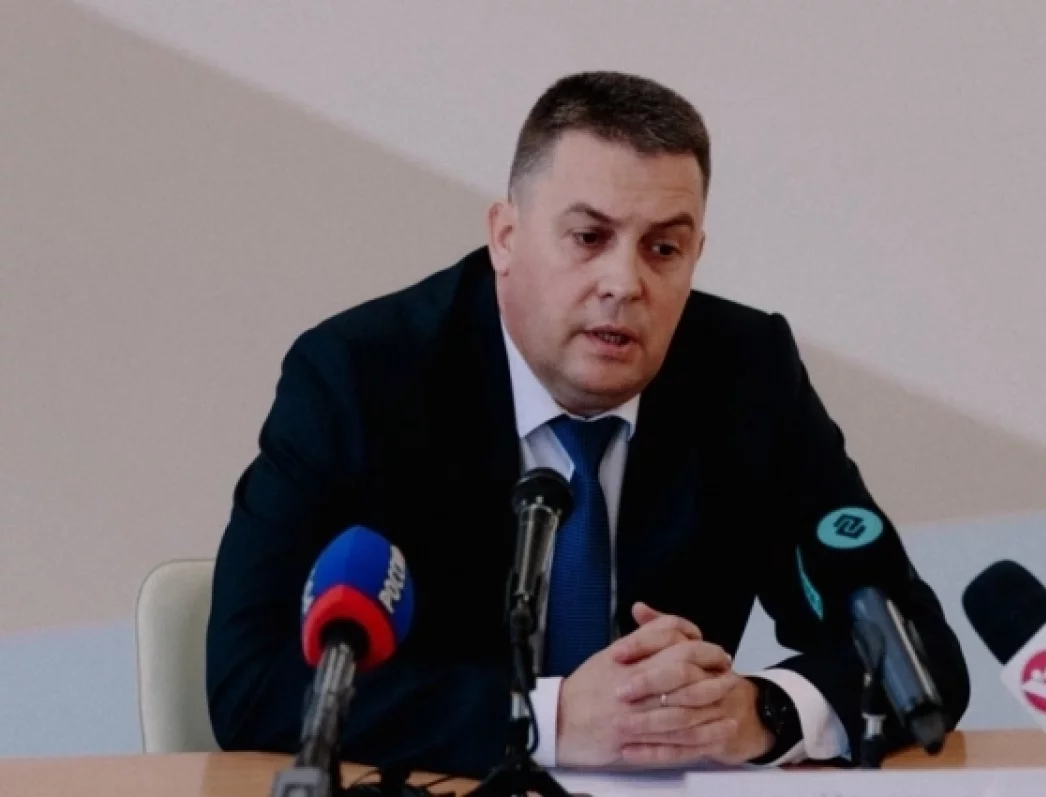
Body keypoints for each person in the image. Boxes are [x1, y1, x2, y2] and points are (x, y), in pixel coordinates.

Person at [206, 70, 970, 778]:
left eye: (663, 248)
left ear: (696, 255)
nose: (623, 282)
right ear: (506, 237)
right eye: (588, 237)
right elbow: (251, 681)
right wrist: (551, 718)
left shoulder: (746, 373)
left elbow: (919, 655)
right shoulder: (360, 378)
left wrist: (759, 711)